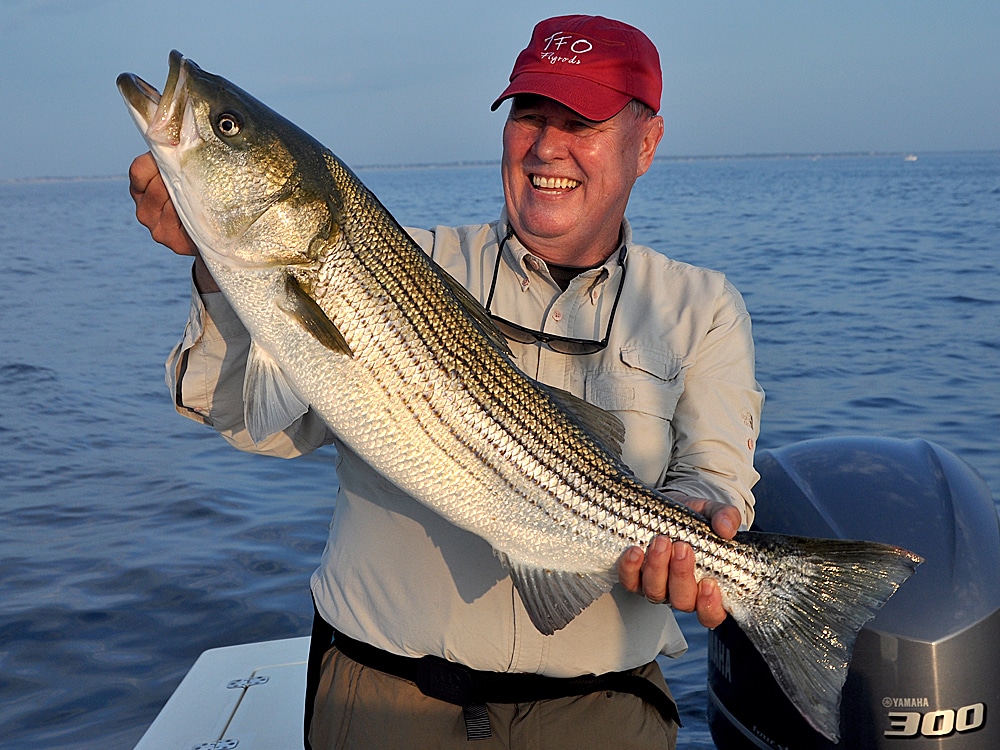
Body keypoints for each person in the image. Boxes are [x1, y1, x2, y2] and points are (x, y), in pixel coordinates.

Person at [129, 14, 763, 750]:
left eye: (580, 121)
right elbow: (249, 419)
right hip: (380, 702)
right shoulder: (405, 262)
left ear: (645, 143)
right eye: (529, 116)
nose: (547, 146)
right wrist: (213, 264)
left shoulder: (703, 308)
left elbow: (716, 479)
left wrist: (696, 536)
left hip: (600, 714)